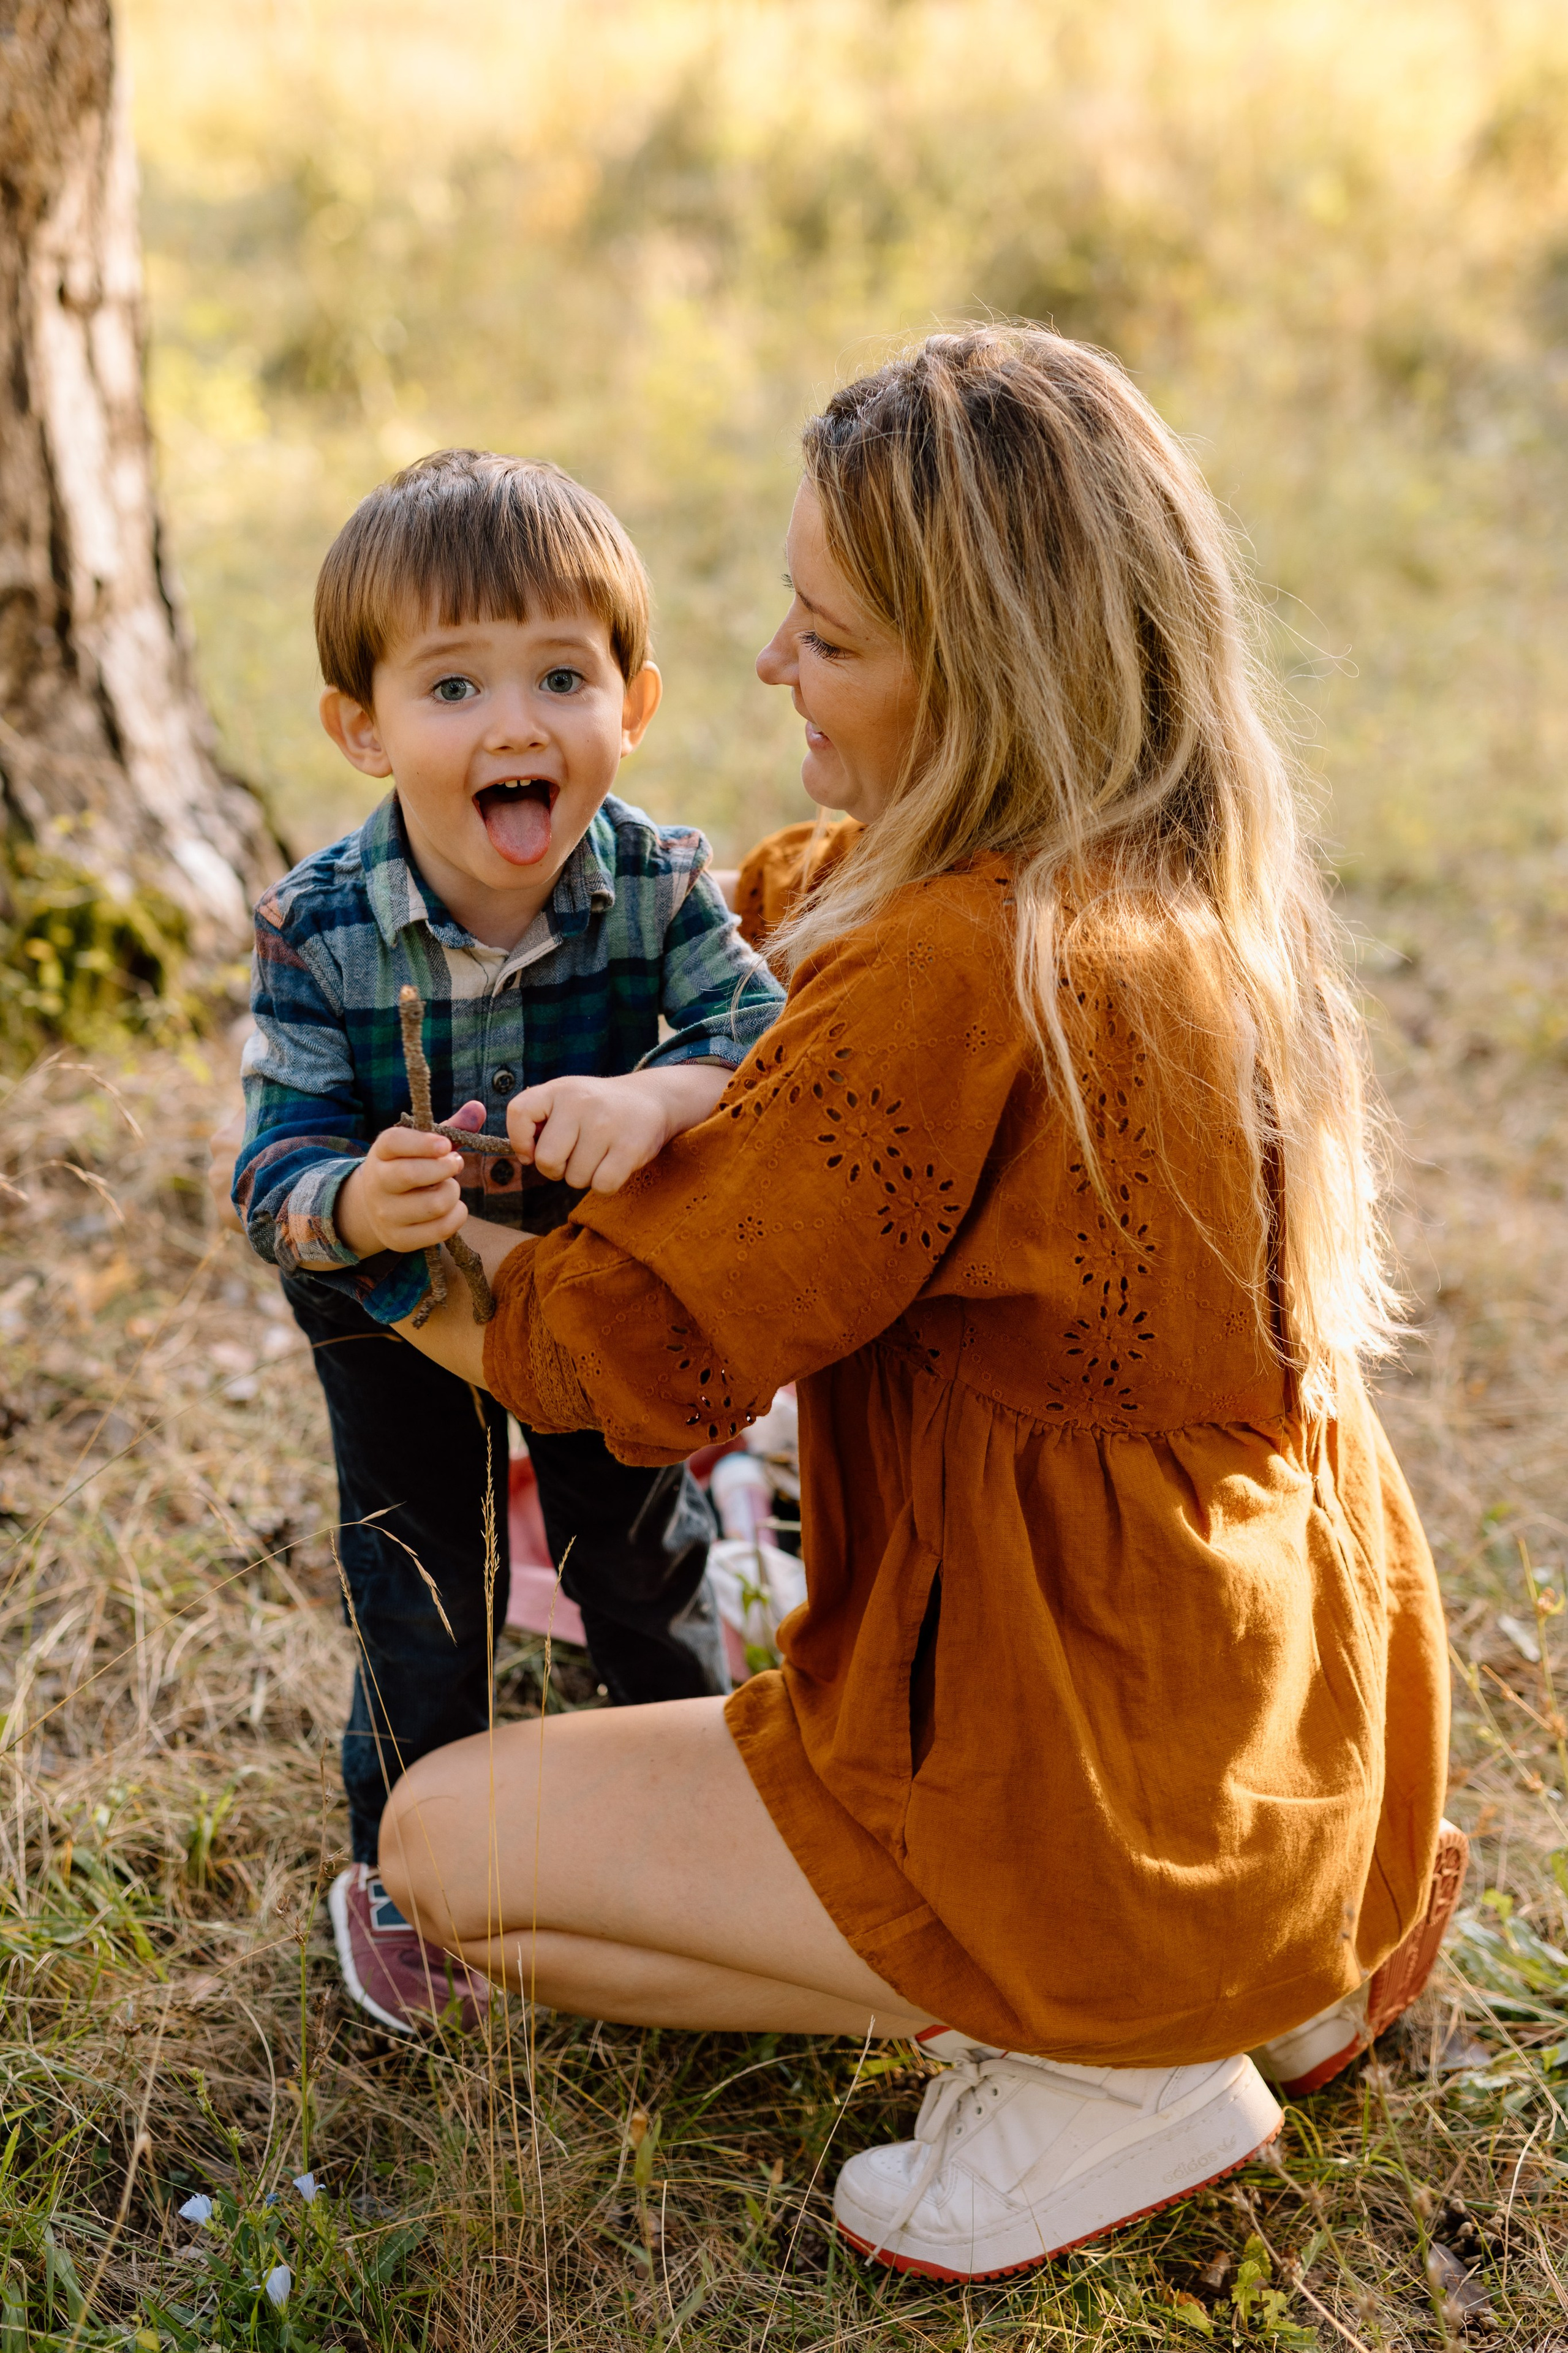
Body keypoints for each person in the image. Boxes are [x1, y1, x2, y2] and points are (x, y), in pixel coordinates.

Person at [375, 331, 1456, 2283]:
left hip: (1066, 1760)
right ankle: (1207, 1979)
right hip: (1277, 1727)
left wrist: (338, 1213)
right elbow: (785, 922)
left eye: (829, 637)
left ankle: (1100, 2052)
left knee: (450, 1847)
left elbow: (619, 1358)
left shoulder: (961, 968)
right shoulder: (1172, 873)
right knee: (539, 1845)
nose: (775, 665)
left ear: (979, 678)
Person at [231, 449, 783, 2034]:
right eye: (454, 685)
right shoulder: (317, 924)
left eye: (562, 673)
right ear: (365, 729)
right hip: (393, 1293)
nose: (515, 724)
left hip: (595, 1284)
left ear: (637, 700)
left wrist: (663, 1091)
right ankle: (406, 1874)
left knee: (639, 1543)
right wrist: (348, 1199)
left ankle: (693, 1834)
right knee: (426, 1573)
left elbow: (769, 1036)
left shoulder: (654, 880)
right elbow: (270, 1154)